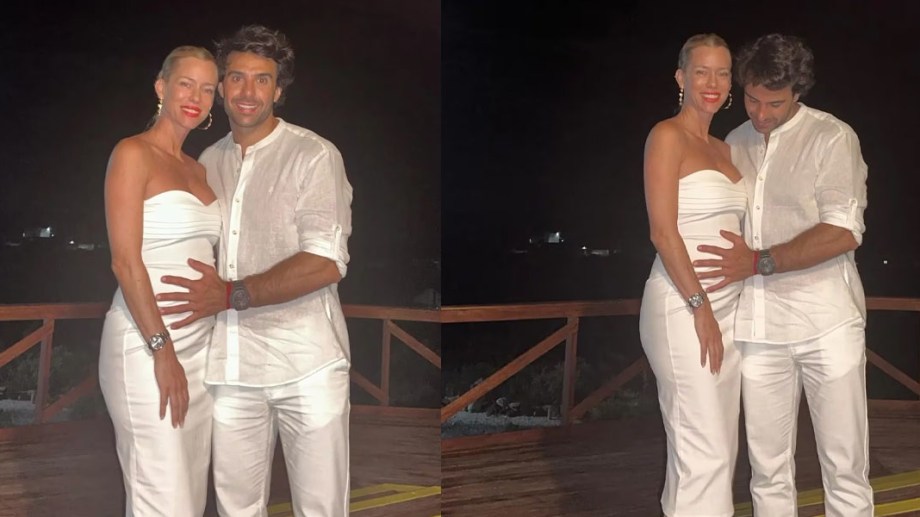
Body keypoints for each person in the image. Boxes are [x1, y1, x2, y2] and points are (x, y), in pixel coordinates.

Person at [156, 25, 353, 516]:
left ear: (279, 90)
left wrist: (230, 295)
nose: (248, 91)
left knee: (321, 508)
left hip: (307, 365)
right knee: (236, 508)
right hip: (232, 369)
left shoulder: (314, 154)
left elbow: (325, 262)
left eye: (262, 80)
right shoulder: (208, 160)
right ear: (221, 88)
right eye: (237, 78)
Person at [694, 33, 872, 516]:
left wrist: (758, 262)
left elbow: (843, 232)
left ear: (798, 91)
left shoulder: (832, 137)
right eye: (752, 99)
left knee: (844, 465)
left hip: (827, 324)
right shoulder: (735, 142)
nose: (761, 113)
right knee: (766, 470)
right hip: (758, 329)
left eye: (774, 103)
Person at [98, 46, 219, 516]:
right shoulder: (132, 153)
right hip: (146, 343)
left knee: (188, 493)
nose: (195, 97)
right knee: (162, 497)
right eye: (185, 84)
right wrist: (162, 350)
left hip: (202, 348)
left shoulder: (199, 168)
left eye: (207, 89)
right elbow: (125, 263)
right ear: (161, 86)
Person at [638, 33, 746, 517]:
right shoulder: (666, 136)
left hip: (732, 309)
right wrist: (700, 309)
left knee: (720, 445)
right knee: (703, 446)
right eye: (702, 71)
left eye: (722, 72)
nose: (713, 82)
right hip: (684, 306)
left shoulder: (727, 149)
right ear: (681, 78)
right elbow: (663, 232)